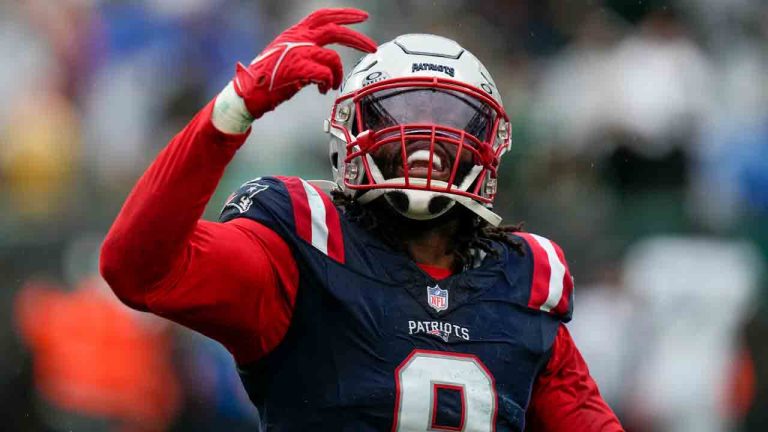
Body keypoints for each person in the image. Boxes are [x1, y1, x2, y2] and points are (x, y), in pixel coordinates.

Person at [100, 8, 623, 431]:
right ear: (348, 132)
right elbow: (137, 268)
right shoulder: (303, 242)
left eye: (452, 121)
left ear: (491, 145)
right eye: (400, 115)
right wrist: (232, 110)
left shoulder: (522, 279)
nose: (427, 143)